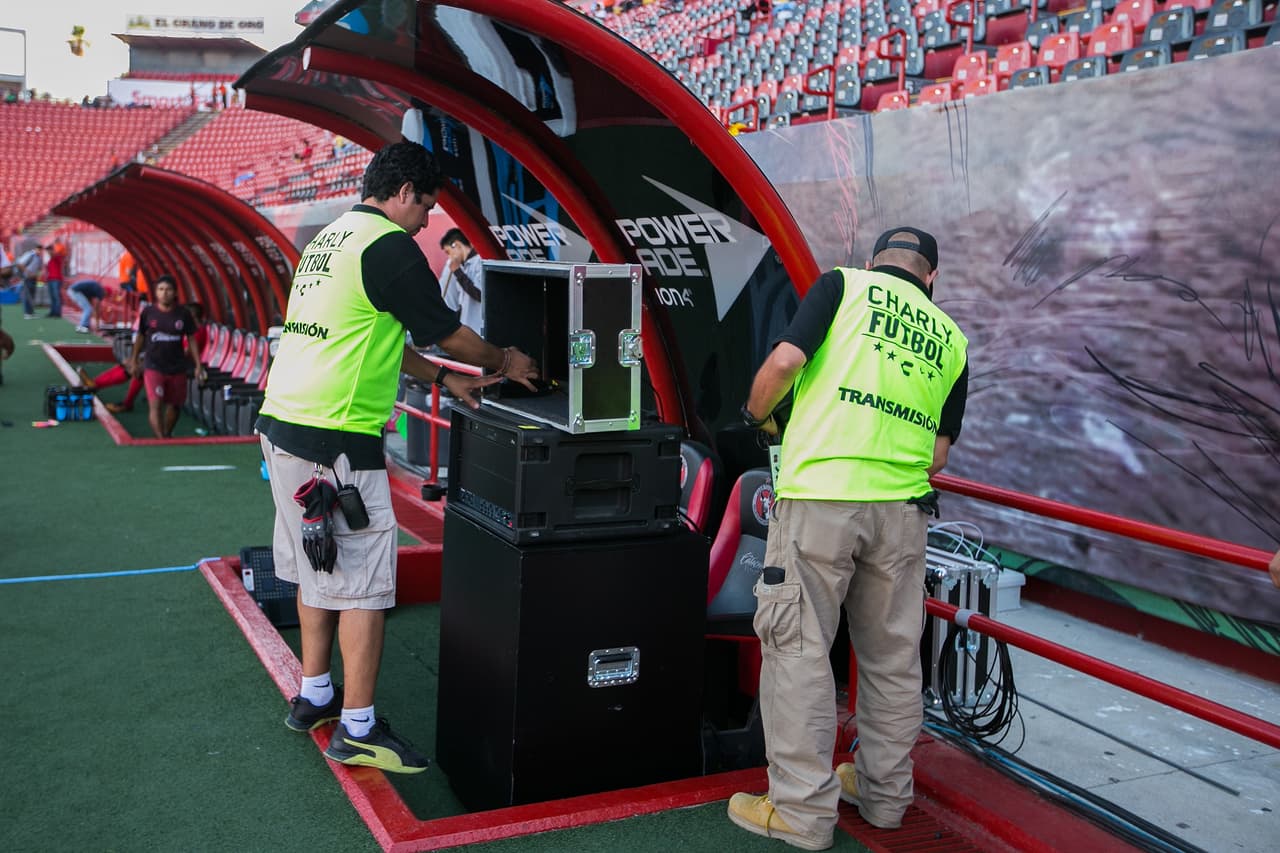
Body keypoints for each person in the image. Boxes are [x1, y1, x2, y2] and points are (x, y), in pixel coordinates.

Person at [255, 140, 539, 774]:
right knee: (360, 586)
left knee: (315, 567)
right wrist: (502, 362)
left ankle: (315, 694)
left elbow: (370, 335)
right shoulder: (387, 244)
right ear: (406, 191)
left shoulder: (329, 241)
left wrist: (443, 380)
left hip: (285, 427)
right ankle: (357, 727)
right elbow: (448, 332)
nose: (426, 221)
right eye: (427, 206)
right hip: (336, 440)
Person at [727, 227, 969, 849]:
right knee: (891, 658)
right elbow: (938, 454)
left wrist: (756, 415)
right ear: (931, 279)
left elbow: (784, 363)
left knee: (799, 649)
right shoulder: (951, 338)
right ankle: (885, 799)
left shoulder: (842, 285)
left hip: (821, 501)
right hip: (904, 512)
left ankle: (803, 814)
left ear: (873, 263)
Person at [126, 275, 204, 438]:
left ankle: (166, 434)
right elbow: (140, 336)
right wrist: (134, 360)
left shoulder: (183, 314)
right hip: (153, 365)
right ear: (156, 293)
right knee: (155, 404)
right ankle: (160, 438)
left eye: (168, 290)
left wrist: (198, 365)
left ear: (175, 293)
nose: (164, 293)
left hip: (177, 366)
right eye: (161, 290)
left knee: (175, 406)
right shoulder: (148, 313)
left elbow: (191, 339)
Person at [438, 228, 484, 335]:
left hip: (479, 328)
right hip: (468, 327)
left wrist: (458, 272)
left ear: (457, 245)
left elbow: (480, 294)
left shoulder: (479, 261)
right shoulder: (463, 266)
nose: (449, 257)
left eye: (449, 252)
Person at [16, 244, 43, 319]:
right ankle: (27, 313)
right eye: (38, 249)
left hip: (33, 278)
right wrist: (28, 272)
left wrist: (37, 275)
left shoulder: (39, 258)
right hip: (27, 277)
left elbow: (39, 268)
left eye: (40, 250)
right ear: (35, 249)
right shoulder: (30, 255)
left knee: (32, 295)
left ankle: (31, 312)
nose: (39, 251)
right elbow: (20, 264)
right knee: (28, 295)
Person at [44, 242, 65, 318]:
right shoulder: (50, 259)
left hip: (56, 279)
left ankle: (57, 313)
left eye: (49, 250)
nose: (48, 252)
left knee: (56, 296)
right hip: (51, 279)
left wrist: (51, 251)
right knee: (52, 296)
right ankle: (53, 312)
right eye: (47, 250)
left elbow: (53, 255)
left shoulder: (57, 256)